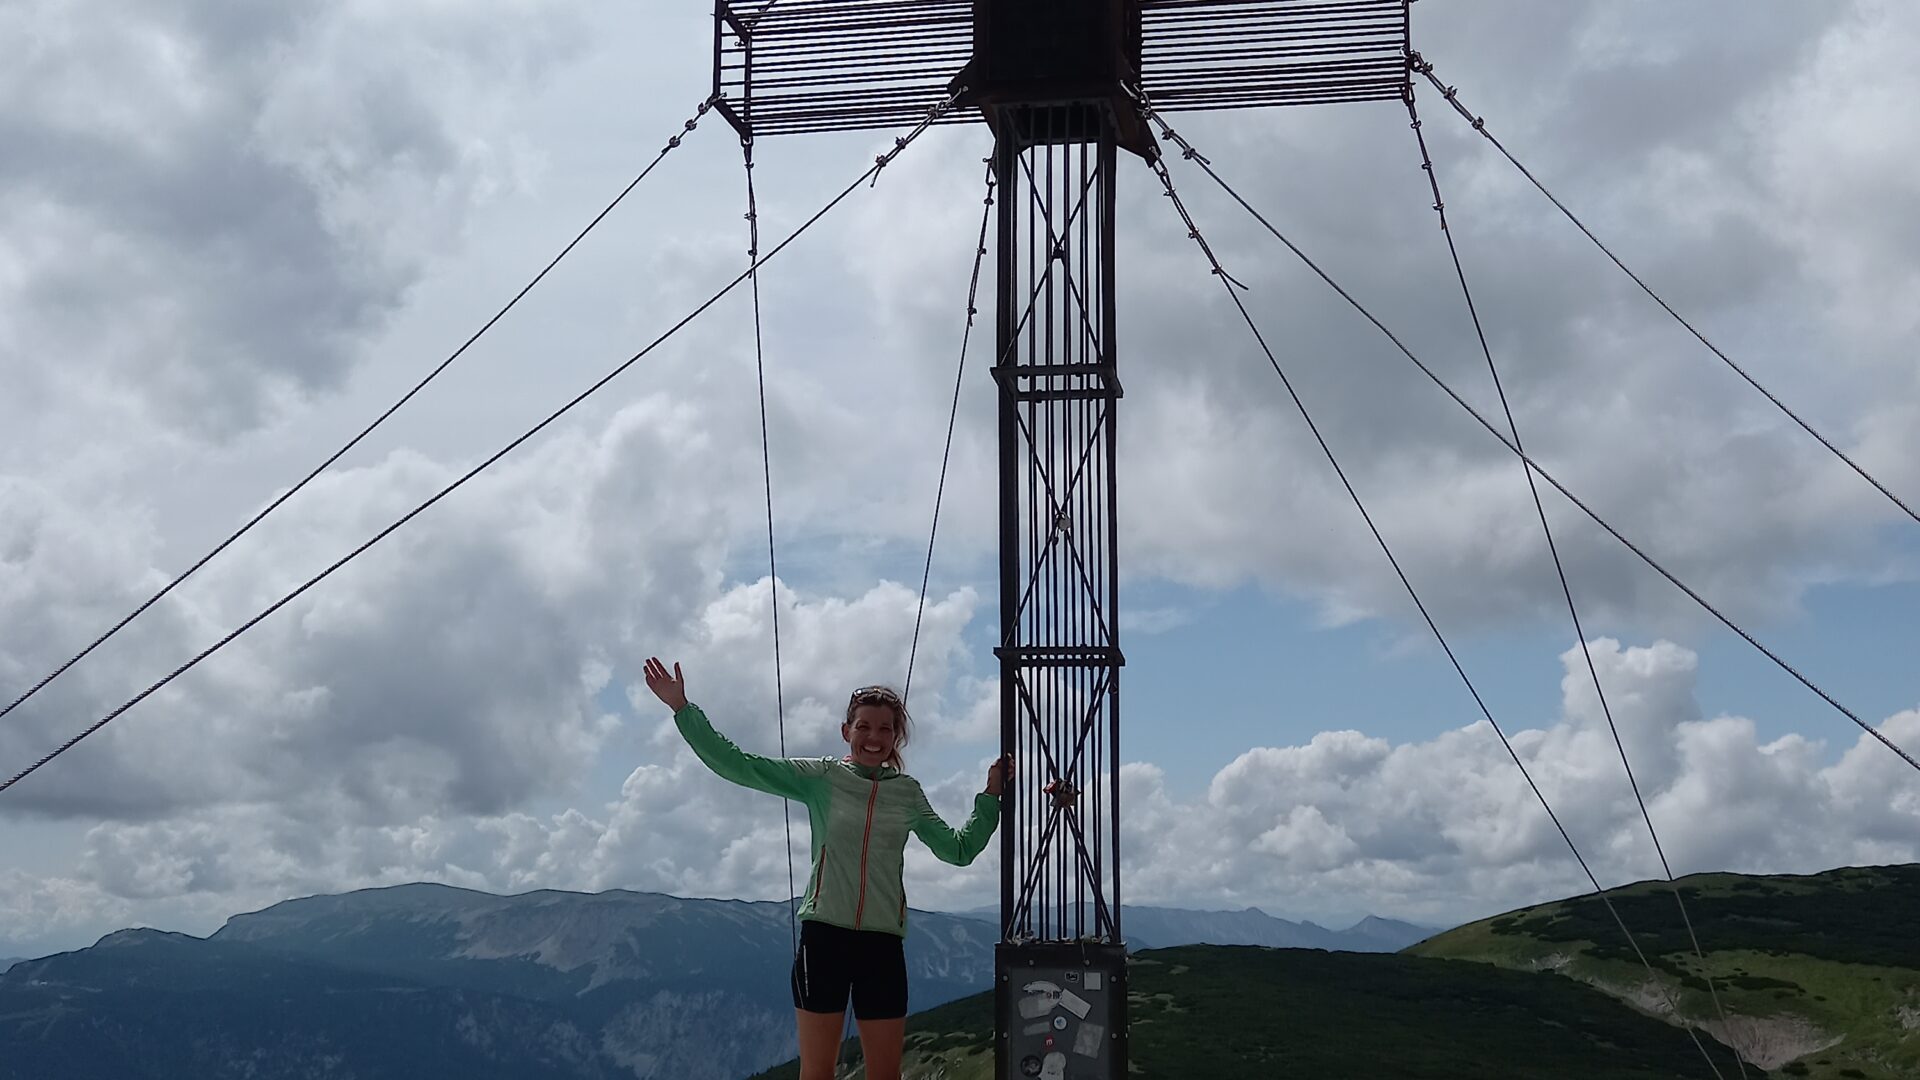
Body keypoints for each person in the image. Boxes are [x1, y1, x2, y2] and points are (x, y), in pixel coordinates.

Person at [643, 656, 1011, 1080]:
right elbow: (738, 765)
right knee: (818, 1072)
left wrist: (990, 798)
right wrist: (683, 709)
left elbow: (958, 851)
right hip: (824, 941)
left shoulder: (908, 793)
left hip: (882, 946)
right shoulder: (821, 777)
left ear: (897, 738)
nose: (874, 737)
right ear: (846, 731)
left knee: (885, 1075)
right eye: (864, 727)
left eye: (885, 729)